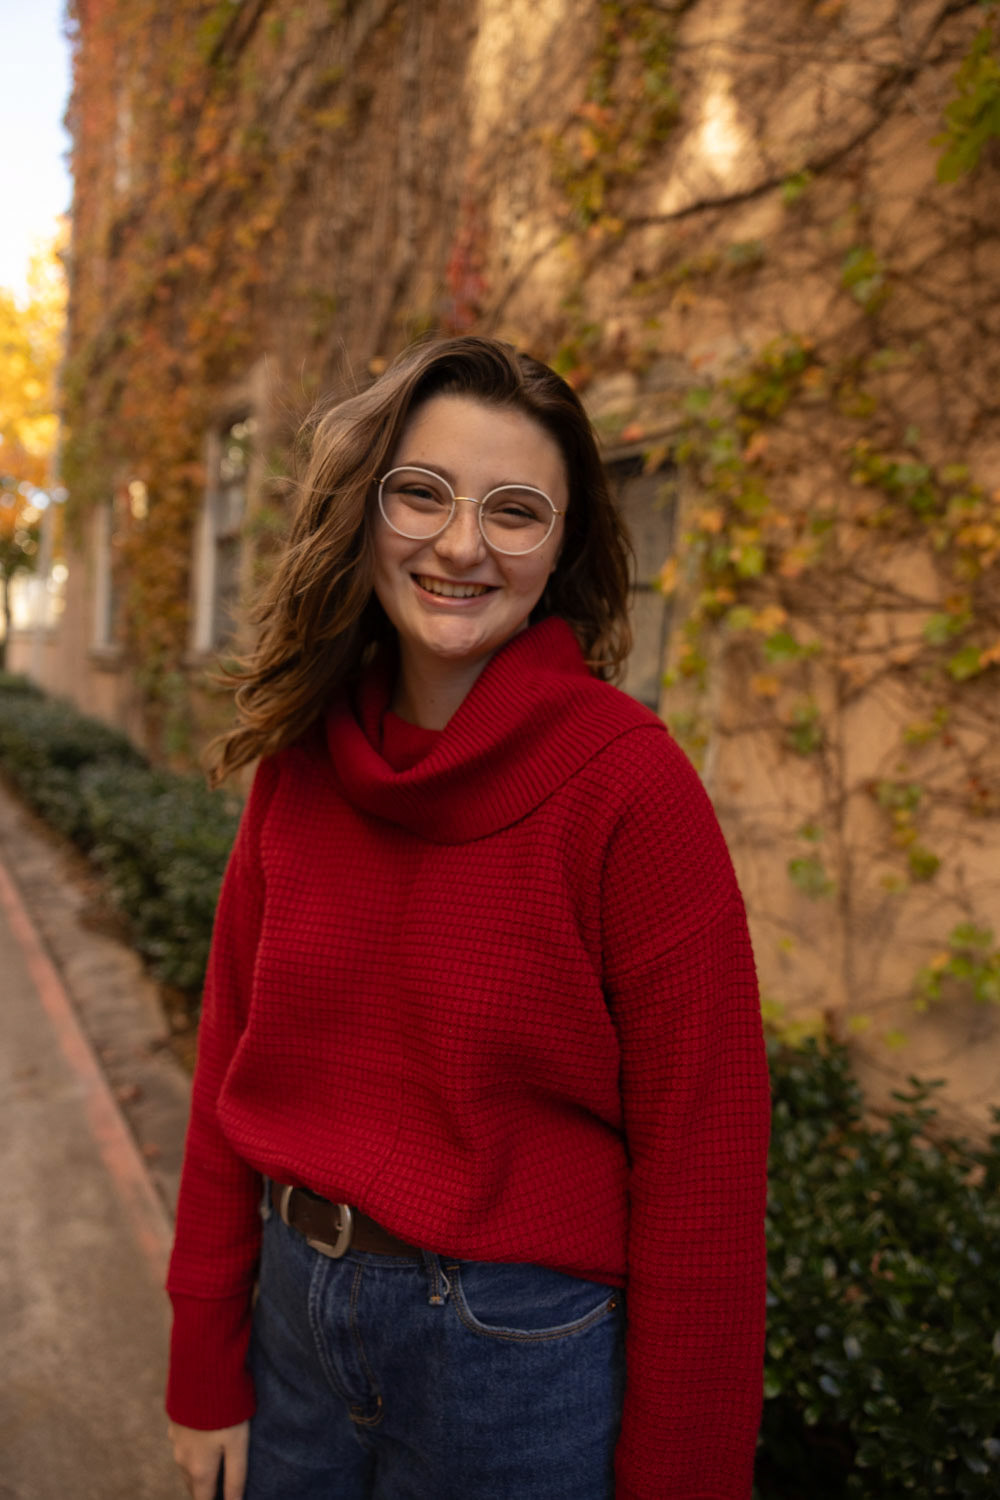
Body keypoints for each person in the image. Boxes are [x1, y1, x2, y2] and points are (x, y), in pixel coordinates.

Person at [165, 335, 770, 1500]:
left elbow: (705, 1162)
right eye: (422, 492)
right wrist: (204, 1360)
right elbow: (227, 1061)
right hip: (292, 1319)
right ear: (365, 511)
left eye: (515, 510)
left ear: (563, 546)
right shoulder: (301, 763)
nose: (459, 544)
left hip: (517, 1358)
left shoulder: (631, 788)